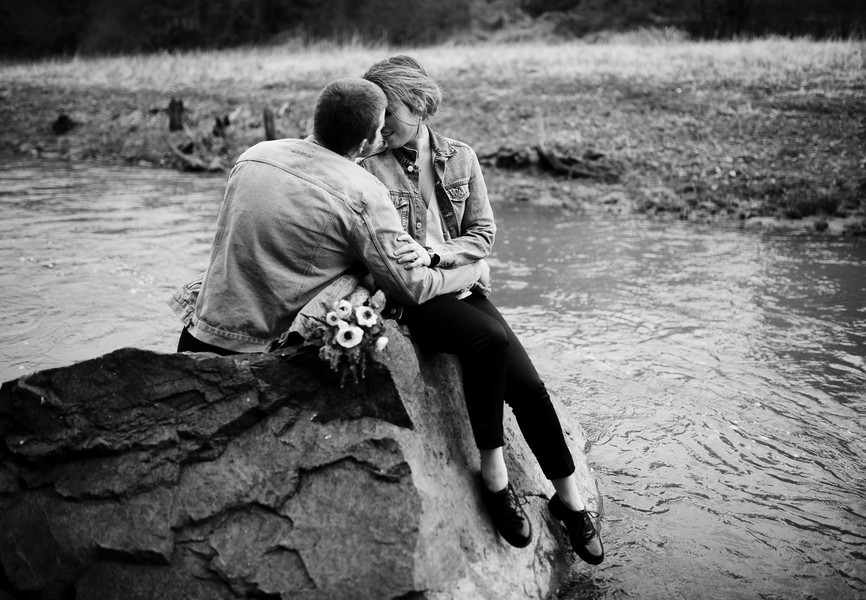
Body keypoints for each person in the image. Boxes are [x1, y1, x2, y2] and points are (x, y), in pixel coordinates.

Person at [359, 56, 604, 564]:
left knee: (531, 388)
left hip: (458, 283)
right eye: (377, 115)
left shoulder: (462, 159)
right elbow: (386, 258)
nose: (382, 126)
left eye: (392, 114)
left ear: (421, 106)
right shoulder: (367, 167)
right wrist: (445, 266)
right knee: (487, 341)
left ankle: (570, 502)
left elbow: (483, 234)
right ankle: (494, 478)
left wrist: (443, 256)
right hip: (415, 296)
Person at [170, 77, 486, 355]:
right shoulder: (364, 191)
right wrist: (473, 271)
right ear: (365, 143)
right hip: (259, 347)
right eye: (379, 129)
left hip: (201, 328)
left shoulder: (254, 156)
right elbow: (411, 287)